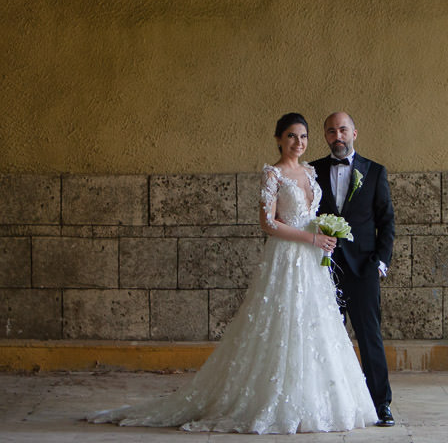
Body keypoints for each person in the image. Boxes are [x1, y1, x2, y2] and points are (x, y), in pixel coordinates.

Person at [88, 112, 377, 434]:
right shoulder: (273, 174)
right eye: (292, 136)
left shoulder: (311, 172)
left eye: (304, 137)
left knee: (317, 325)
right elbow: (268, 223)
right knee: (282, 323)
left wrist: (323, 235)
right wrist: (311, 237)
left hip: (313, 260)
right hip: (286, 257)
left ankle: (320, 402)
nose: (299, 142)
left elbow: (314, 213)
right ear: (279, 139)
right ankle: (272, 400)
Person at [310, 112, 395, 427]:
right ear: (326, 136)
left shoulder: (374, 172)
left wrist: (380, 263)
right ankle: (330, 405)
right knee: (325, 338)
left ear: (355, 133)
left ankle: (381, 405)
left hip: (364, 269)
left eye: (343, 129)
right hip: (323, 268)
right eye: (331, 131)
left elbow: (386, 221)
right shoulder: (312, 171)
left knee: (369, 336)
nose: (338, 136)